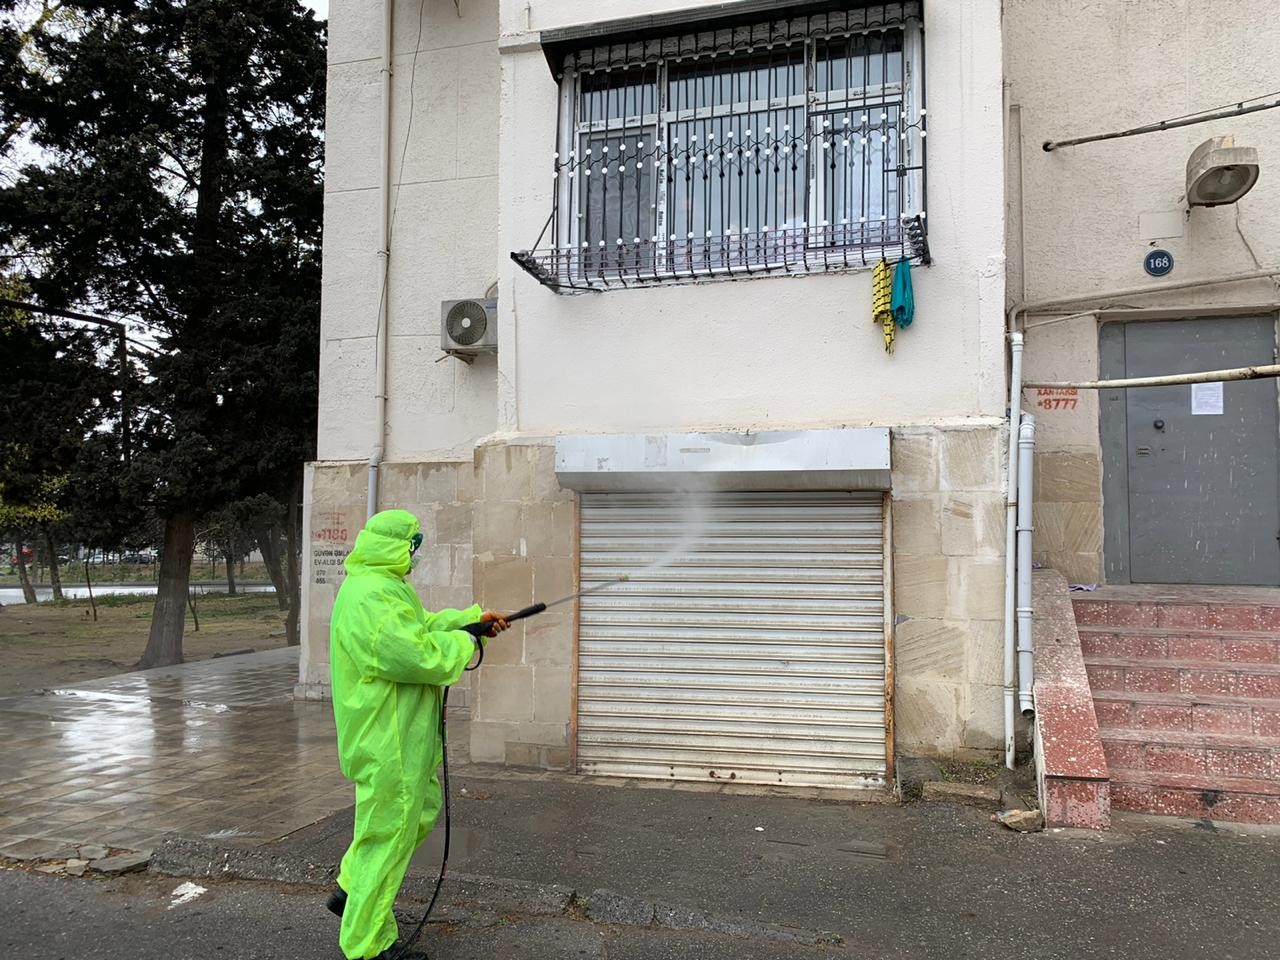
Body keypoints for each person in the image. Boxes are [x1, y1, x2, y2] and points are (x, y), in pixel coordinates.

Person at [326, 508, 508, 960]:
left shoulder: (386, 588)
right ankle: (367, 944)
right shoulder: (369, 595)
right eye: (412, 549)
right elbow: (414, 656)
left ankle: (353, 891)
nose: (415, 559)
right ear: (393, 547)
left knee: (419, 810)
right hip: (386, 736)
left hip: (403, 734)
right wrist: (466, 642)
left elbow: (420, 627)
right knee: (389, 832)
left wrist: (470, 620)